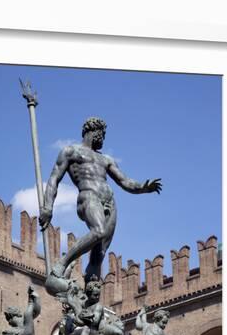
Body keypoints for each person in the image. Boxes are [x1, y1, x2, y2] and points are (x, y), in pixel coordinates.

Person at [39, 117, 162, 284]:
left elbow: (125, 181)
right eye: (102, 134)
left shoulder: (106, 159)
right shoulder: (70, 151)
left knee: (100, 252)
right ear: (94, 131)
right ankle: (61, 264)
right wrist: (48, 208)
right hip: (88, 197)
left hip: (110, 202)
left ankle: (91, 297)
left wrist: (143, 187)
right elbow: (54, 179)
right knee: (98, 231)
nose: (103, 138)